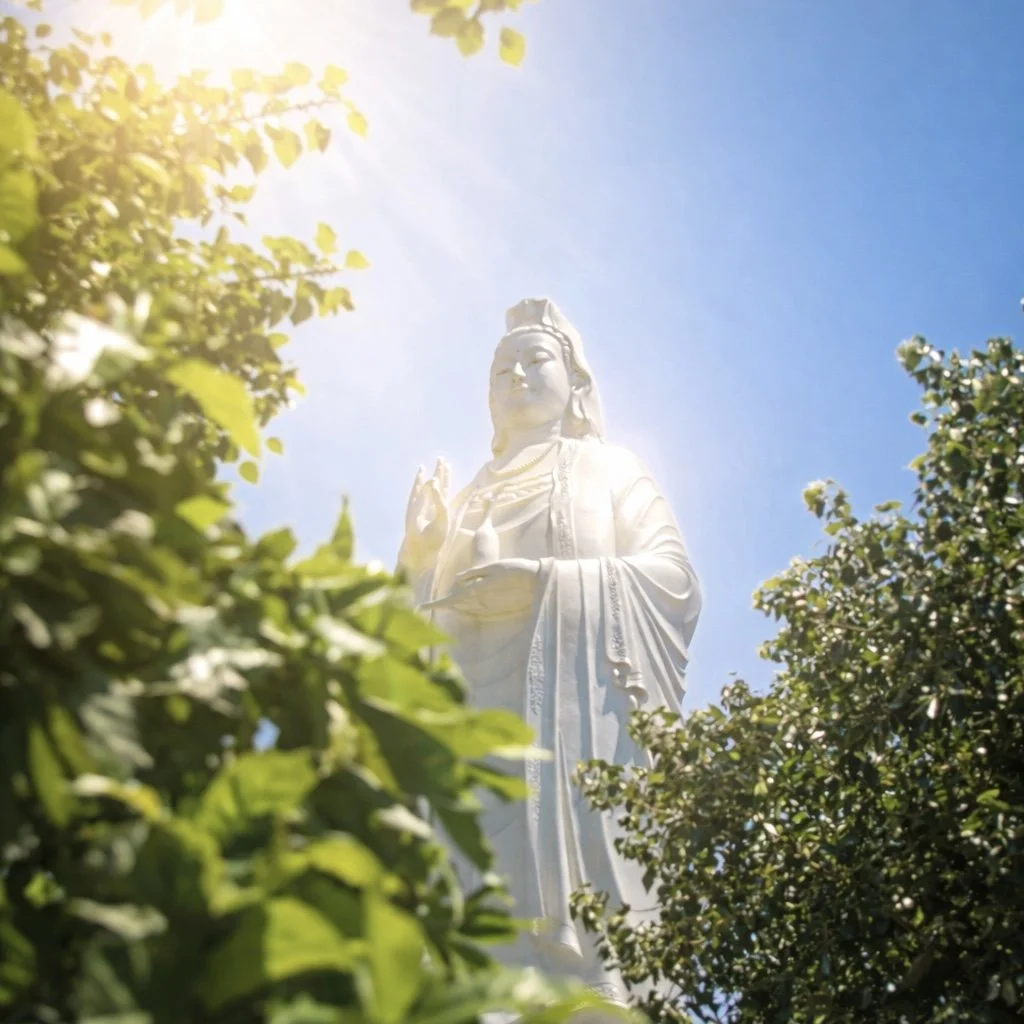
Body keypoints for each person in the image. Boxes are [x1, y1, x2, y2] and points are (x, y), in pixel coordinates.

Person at [399, 297, 701, 1001]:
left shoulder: (611, 470)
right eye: (501, 369)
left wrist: (541, 584)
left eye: (536, 360)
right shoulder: (462, 501)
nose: (517, 376)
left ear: (574, 381)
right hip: (471, 742)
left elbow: (674, 583)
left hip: (574, 741)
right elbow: (410, 648)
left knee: (588, 964)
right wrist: (419, 559)